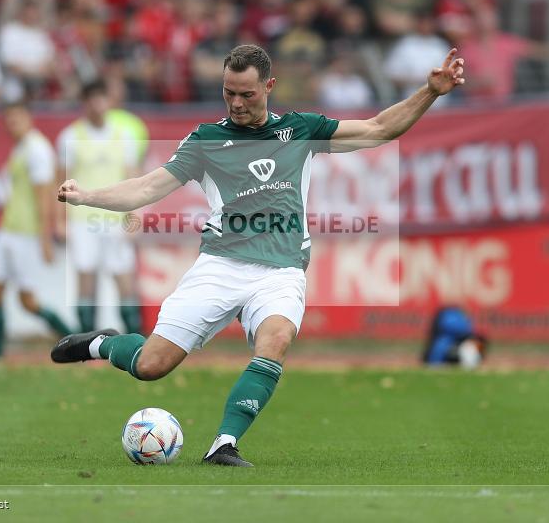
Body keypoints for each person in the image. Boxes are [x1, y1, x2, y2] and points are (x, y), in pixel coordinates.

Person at [50, 44, 465, 466]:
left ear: (269, 86)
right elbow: (145, 188)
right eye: (229, 92)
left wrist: (429, 92)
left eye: (246, 94)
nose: (236, 103)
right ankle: (101, 344)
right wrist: (87, 196)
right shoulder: (206, 140)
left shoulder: (301, 131)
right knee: (152, 366)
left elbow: (379, 128)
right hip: (220, 266)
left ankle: (223, 445)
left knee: (277, 338)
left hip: (281, 270)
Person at [0, 102, 71, 358]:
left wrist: (45, 239)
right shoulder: (22, 148)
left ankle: (74, 340)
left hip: (26, 234)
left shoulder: (37, 150)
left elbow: (44, 195)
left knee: (28, 302)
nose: (13, 125)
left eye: (17, 119)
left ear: (28, 118)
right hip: (8, 230)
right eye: (8, 120)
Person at [56, 80, 142, 335]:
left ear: (108, 101)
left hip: (115, 218)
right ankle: (87, 344)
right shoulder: (70, 137)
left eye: (101, 98)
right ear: (84, 104)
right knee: (86, 280)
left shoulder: (124, 135)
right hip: (82, 220)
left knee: (124, 279)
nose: (97, 105)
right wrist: (60, 221)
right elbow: (59, 181)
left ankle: (137, 343)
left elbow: (134, 179)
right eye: (91, 99)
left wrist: (134, 216)